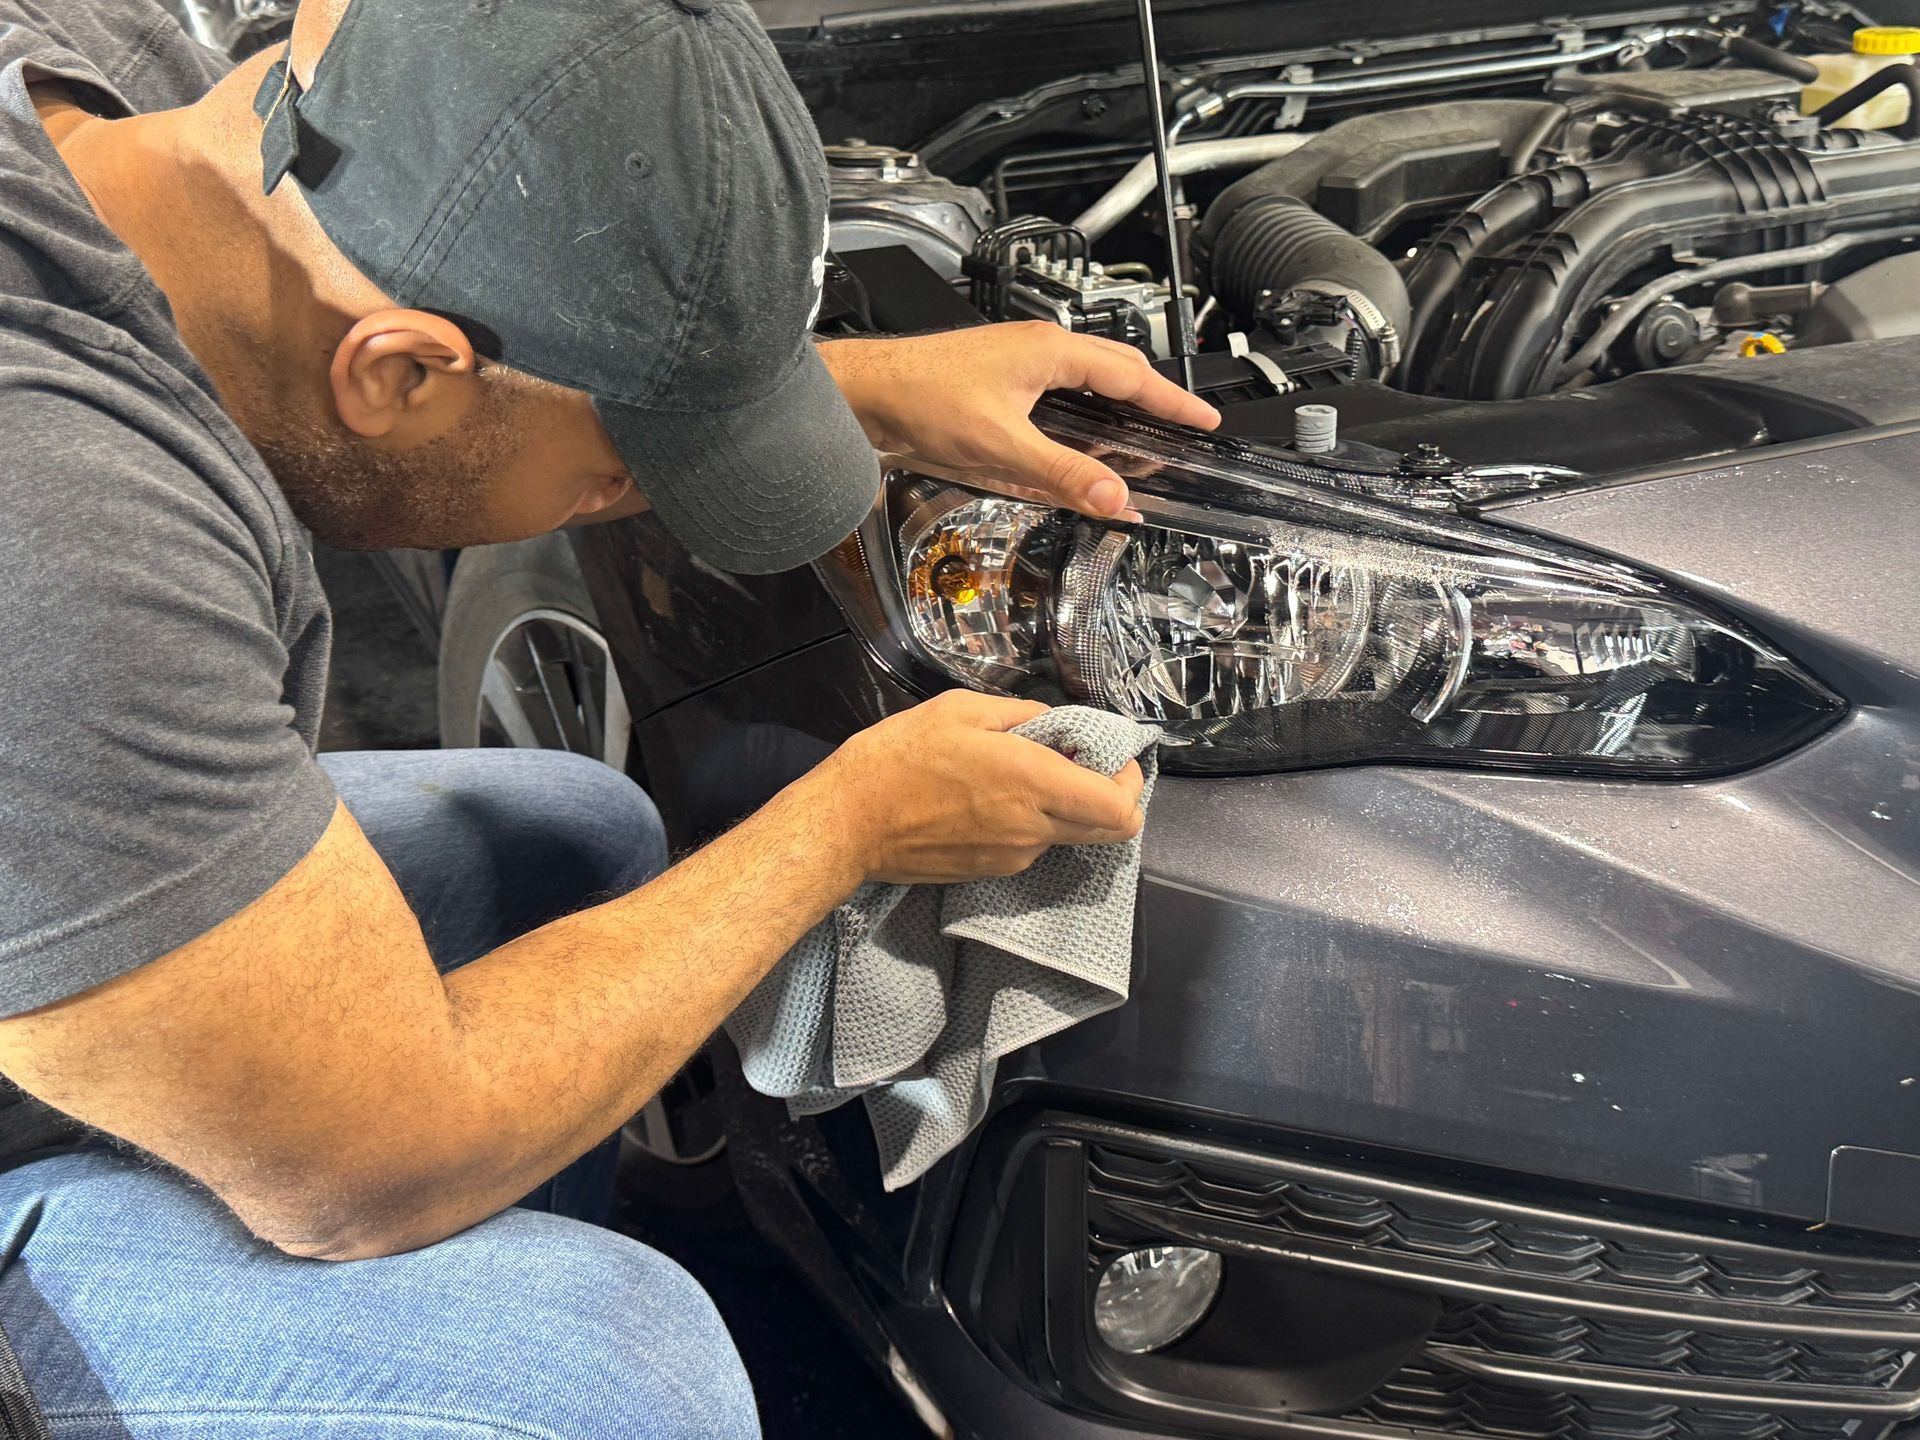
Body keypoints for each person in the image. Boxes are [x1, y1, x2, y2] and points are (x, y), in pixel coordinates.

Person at [0, 0, 1219, 1433]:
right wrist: (844, 829)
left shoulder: (124, 84)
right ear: (395, 370)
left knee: (561, 836)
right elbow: (358, 1174)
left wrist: (841, 389)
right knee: (603, 1367)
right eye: (617, 475)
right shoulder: (62, 525)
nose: (629, 504)